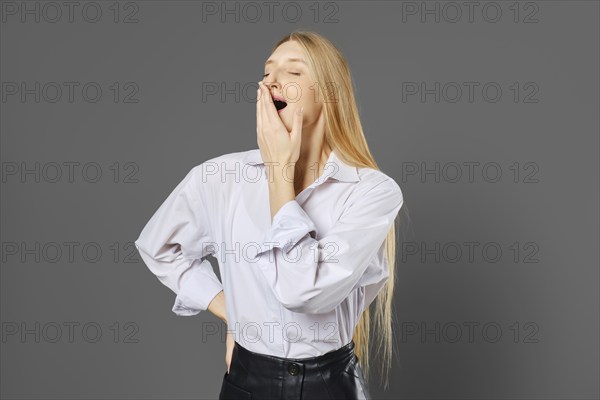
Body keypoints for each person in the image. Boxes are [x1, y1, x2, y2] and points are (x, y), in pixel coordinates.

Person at [134, 30, 408, 400]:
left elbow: (302, 293)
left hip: (330, 386)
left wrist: (280, 171)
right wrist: (235, 313)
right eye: (267, 73)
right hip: (248, 380)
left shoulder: (372, 192)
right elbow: (159, 246)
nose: (273, 81)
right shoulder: (220, 177)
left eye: (294, 72)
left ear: (330, 91)